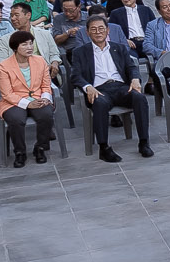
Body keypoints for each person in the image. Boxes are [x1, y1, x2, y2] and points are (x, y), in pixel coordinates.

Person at [66, 13, 154, 159]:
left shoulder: (119, 48)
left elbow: (131, 67)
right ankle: (104, 147)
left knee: (139, 98)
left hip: (121, 88)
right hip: (99, 90)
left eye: (101, 28)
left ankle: (144, 142)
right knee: (99, 103)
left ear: (107, 31)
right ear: (87, 33)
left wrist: (135, 79)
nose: (98, 32)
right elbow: (75, 76)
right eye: (93, 29)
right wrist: (87, 86)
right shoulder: (79, 52)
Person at [0, 30, 59, 166]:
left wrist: (46, 97)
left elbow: (46, 85)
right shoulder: (4, 66)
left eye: (30, 44)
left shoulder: (40, 61)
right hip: (13, 101)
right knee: (16, 119)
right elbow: (7, 94)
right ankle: (20, 152)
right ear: (15, 47)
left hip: (37, 97)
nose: (29, 47)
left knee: (46, 114)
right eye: (24, 45)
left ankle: (40, 147)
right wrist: (28, 104)